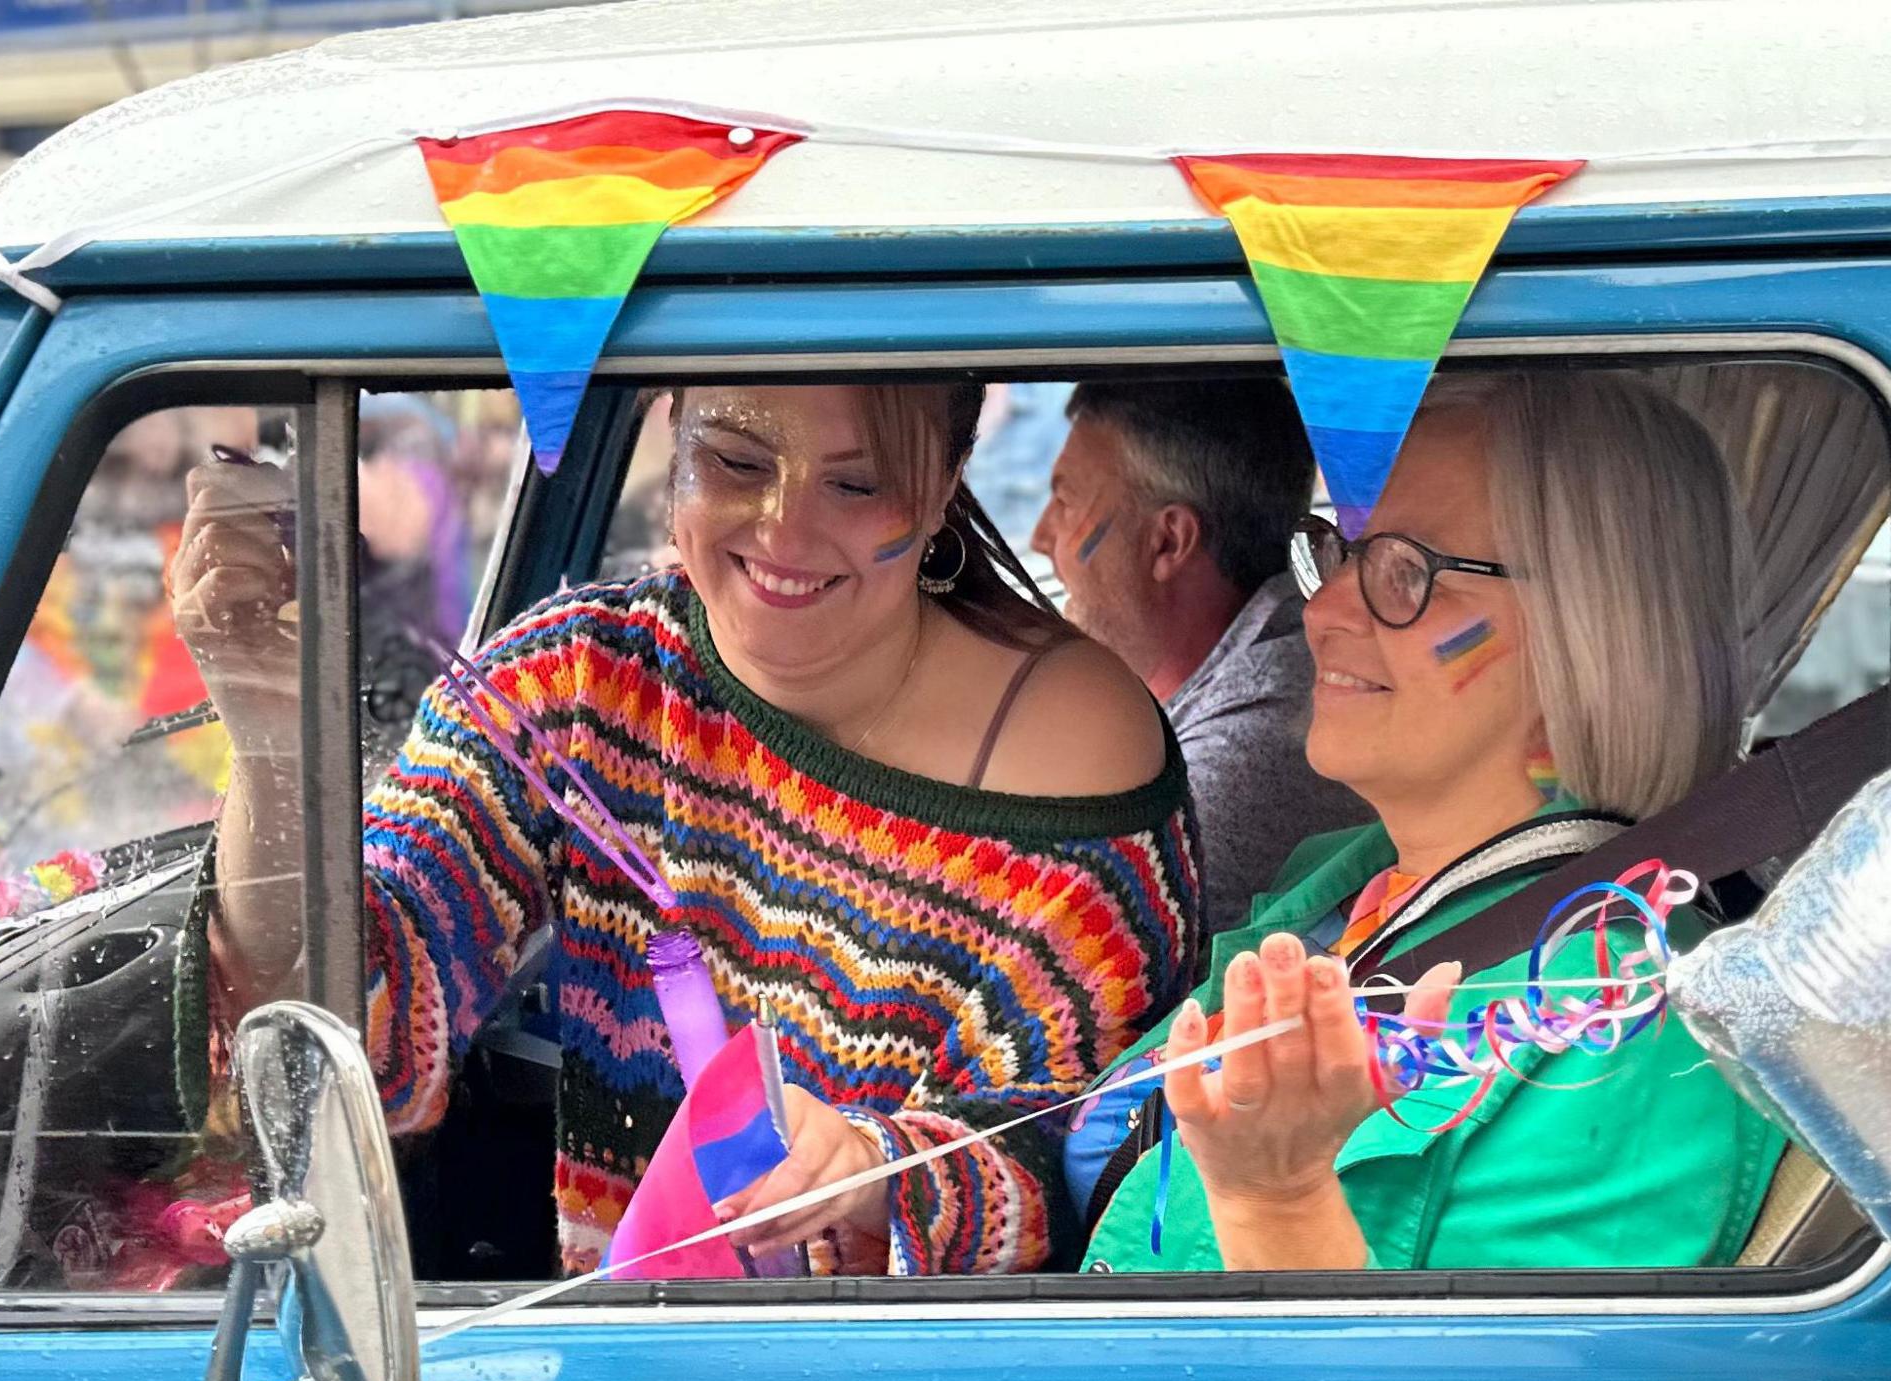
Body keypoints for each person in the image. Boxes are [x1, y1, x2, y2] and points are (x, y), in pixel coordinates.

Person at [174, 380, 1201, 1277]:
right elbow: (330, 1022)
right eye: (738, 461)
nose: (784, 531)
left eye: (857, 482)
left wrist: (877, 1175)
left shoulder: (1073, 754)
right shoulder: (583, 682)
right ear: (673, 443)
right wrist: (269, 740)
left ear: (945, 483)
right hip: (629, 1370)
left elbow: (1086, 1159)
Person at [1068, 372, 1784, 1273]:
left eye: (1407, 571)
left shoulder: (1639, 1033)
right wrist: (884, 1174)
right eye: (1343, 553)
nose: (1322, 610)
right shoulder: (1342, 888)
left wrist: (1278, 1200)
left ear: (1591, 629)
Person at [1031, 379, 1363, 929]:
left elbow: (1062, 942)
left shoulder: (1258, 745)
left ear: (1168, 542)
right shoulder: (1240, 678)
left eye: (1065, 503)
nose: (1042, 537)